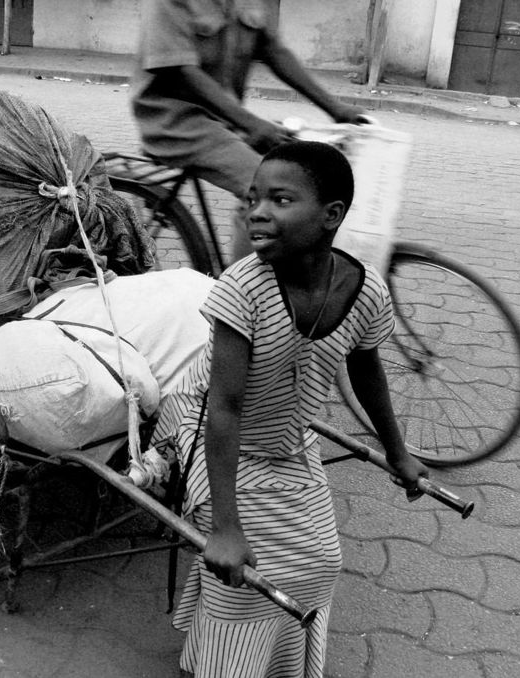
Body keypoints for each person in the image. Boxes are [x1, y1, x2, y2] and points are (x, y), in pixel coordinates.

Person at [153, 140, 428, 678]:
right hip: (206, 433)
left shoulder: (365, 287)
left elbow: (366, 370)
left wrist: (399, 453)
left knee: (321, 560)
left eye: (279, 200)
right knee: (242, 569)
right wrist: (226, 528)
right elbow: (223, 409)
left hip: (288, 439)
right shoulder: (243, 288)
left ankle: (274, 663)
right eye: (254, 198)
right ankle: (216, 664)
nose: (256, 212)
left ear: (332, 216)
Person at [131, 0, 368, 262]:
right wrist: (252, 124)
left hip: (225, 115)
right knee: (265, 189)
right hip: (174, 121)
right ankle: (239, 295)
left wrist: (336, 108)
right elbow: (180, 71)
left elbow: (274, 51)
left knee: (299, 169)